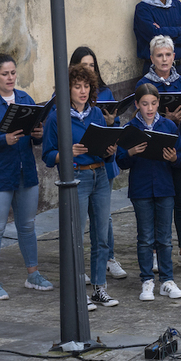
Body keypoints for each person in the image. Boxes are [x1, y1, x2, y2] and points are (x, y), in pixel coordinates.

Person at [0, 53, 53, 300]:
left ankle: (33, 274)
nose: (10, 78)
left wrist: (38, 133)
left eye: (13, 73)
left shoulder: (25, 99)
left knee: (27, 226)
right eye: (4, 74)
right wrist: (1, 139)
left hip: (25, 171)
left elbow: (35, 138)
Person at [43, 64, 119, 308]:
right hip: (77, 178)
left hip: (99, 175)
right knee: (76, 236)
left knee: (102, 235)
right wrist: (66, 152)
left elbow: (104, 148)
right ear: (68, 89)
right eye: (77, 87)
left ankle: (99, 288)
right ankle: (77, 290)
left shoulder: (96, 113)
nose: (83, 91)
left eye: (86, 86)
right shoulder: (57, 116)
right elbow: (47, 155)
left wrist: (110, 151)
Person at [117, 84, 181, 301]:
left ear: (159, 104)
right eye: (145, 104)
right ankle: (147, 280)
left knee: (165, 238)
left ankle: (167, 280)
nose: (149, 108)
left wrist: (174, 158)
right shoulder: (129, 128)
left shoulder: (168, 126)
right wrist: (130, 151)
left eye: (154, 103)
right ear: (137, 105)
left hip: (165, 187)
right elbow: (120, 160)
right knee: (145, 237)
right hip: (141, 188)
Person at [137, 36, 181, 272]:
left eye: (168, 55)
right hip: (154, 152)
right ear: (152, 58)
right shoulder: (144, 84)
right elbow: (140, 115)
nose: (164, 59)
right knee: (157, 202)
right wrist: (165, 119)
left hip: (178, 149)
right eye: (159, 55)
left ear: (174, 57)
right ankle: (154, 252)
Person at [71, 46, 128, 281]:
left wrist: (112, 128)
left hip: (102, 167)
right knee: (78, 223)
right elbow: (50, 149)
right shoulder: (61, 109)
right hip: (79, 171)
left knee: (103, 222)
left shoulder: (100, 100)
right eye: (83, 66)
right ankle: (78, 270)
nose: (84, 89)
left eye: (92, 66)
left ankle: (105, 268)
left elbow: (108, 133)